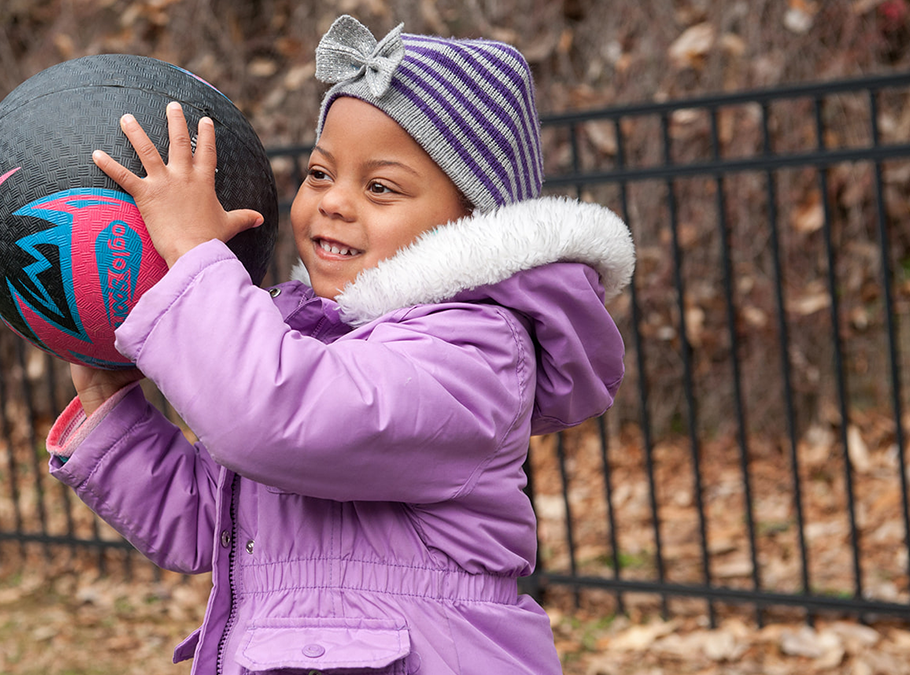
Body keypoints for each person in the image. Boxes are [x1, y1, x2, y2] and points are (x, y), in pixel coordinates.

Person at [46, 14, 635, 674]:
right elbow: (205, 522)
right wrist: (112, 405)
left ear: (473, 223)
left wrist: (195, 257)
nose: (333, 201)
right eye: (321, 173)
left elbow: (273, 421)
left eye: (379, 186)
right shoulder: (305, 347)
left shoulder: (473, 353)